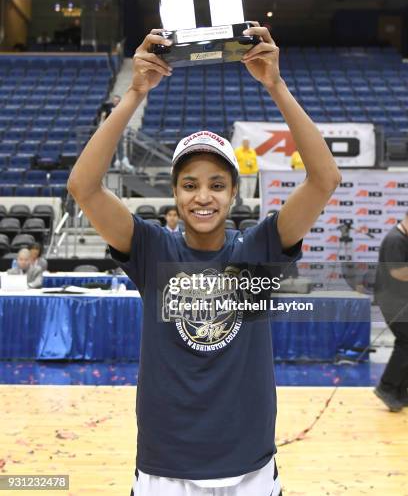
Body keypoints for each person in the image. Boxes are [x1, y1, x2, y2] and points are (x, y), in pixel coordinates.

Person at [67, 24, 341, 496]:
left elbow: (324, 179)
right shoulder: (152, 251)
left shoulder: (259, 253)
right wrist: (133, 94)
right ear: (174, 193)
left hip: (249, 469)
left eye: (217, 184)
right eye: (190, 184)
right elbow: (83, 187)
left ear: (233, 193)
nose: (203, 197)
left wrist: (275, 85)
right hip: (165, 470)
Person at [374, 212, 408, 412]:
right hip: (392, 301)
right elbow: (397, 272)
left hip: (401, 299)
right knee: (406, 341)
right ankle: (387, 387)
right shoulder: (395, 240)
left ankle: (400, 391)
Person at [99, 95, 134, 172]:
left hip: (118, 130)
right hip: (109, 130)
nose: (116, 102)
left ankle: (120, 161)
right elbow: (102, 110)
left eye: (118, 101)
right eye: (115, 101)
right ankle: (111, 163)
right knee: (109, 148)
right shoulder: (108, 108)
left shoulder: (122, 109)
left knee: (119, 146)